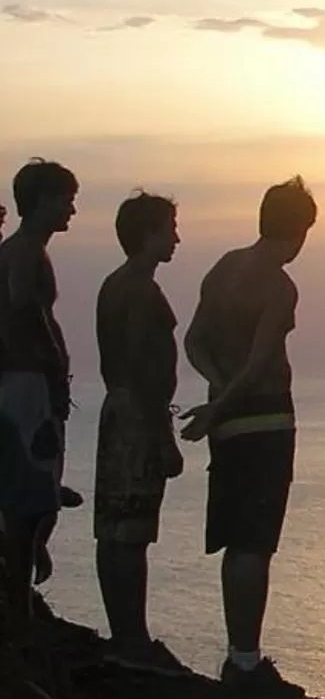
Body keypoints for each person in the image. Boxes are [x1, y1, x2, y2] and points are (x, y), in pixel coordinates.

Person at [181, 177, 317, 693]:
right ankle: (245, 663)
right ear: (298, 229)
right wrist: (219, 406)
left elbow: (193, 340)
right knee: (255, 543)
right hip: (264, 421)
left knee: (237, 541)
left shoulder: (223, 268)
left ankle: (240, 653)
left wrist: (216, 393)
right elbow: (261, 364)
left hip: (231, 424)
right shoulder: (280, 287)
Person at [93, 193, 187, 671]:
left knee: (113, 528)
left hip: (117, 409)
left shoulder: (112, 285)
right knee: (131, 530)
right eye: (170, 226)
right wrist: (163, 435)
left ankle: (124, 632)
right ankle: (133, 639)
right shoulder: (142, 291)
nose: (176, 236)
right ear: (148, 231)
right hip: (136, 415)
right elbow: (143, 364)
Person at [0, 160, 77, 640]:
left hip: (23, 385)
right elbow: (22, 308)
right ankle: (19, 615)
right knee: (27, 504)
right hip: (28, 386)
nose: (71, 208)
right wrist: (52, 364)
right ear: (42, 201)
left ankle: (20, 602)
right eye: (65, 198)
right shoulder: (26, 251)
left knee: (32, 496)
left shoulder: (19, 250)